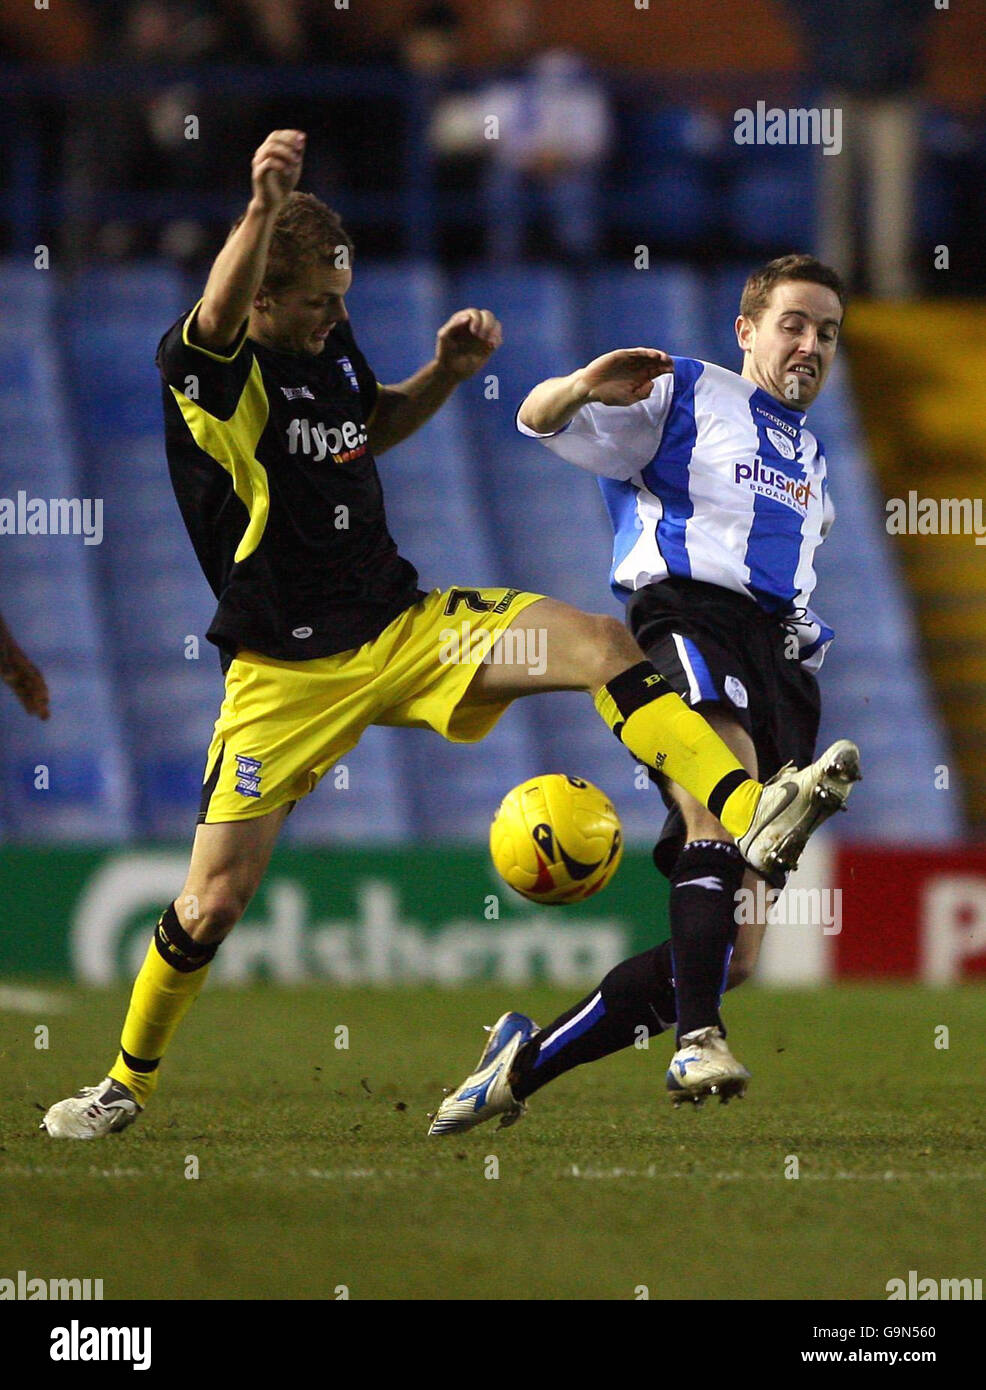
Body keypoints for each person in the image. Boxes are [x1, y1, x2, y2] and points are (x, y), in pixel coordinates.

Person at [42, 135, 854, 1139]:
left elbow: (368, 425)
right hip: (283, 673)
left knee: (601, 643)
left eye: (342, 296)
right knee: (210, 902)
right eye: (316, 299)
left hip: (406, 627)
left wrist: (440, 372)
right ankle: (125, 1081)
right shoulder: (210, 369)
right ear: (259, 297)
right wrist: (260, 205)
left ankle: (742, 801)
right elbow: (213, 316)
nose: (339, 315)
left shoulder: (325, 346)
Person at [429, 253, 859, 1134]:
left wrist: (805, 638)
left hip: (776, 661)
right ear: (747, 330)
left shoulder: (812, 456)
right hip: (688, 622)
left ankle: (517, 1067)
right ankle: (696, 1037)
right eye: (794, 323)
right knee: (719, 810)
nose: (811, 344)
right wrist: (582, 384)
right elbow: (536, 419)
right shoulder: (687, 392)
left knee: (735, 952)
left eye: (827, 333)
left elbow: (789, 571)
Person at [0, 611, 50, 721]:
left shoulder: (31, 707)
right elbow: (35, 676)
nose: (42, 710)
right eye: (44, 711)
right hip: (17, 666)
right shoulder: (43, 696)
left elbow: (21, 691)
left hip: (12, 672)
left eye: (42, 713)